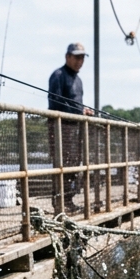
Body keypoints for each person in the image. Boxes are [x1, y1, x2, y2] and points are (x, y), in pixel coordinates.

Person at [47, 43, 95, 212]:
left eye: (82, 58)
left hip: (75, 129)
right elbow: (55, 102)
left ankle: (68, 199)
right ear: (67, 57)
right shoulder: (58, 75)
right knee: (61, 164)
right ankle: (59, 201)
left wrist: (83, 112)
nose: (79, 61)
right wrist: (78, 111)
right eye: (76, 57)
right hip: (60, 128)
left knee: (74, 164)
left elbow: (76, 104)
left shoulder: (78, 80)